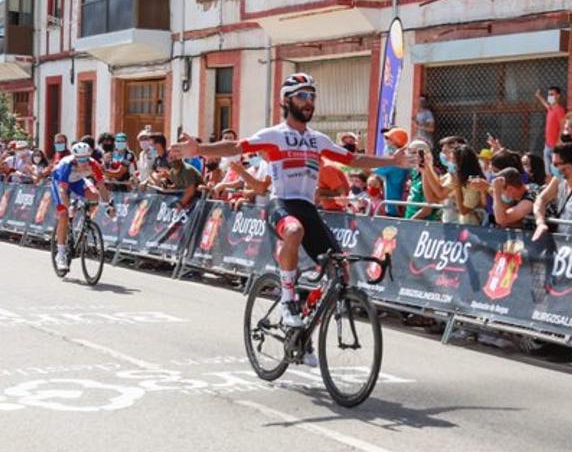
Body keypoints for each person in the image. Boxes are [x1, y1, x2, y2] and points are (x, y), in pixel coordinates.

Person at [171, 72, 410, 359]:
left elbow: (353, 159)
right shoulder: (275, 135)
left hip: (308, 207)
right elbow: (236, 147)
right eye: (302, 96)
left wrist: (392, 160)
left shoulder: (318, 140)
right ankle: (287, 299)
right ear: (286, 100)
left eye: (312, 97)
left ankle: (303, 333)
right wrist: (200, 149)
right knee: (294, 231)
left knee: (340, 272)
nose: (309, 102)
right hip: (281, 203)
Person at [51, 142, 115, 271]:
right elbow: (63, 191)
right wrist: (66, 206)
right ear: (74, 157)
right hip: (60, 182)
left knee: (95, 196)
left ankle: (83, 222)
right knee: (63, 214)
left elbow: (102, 186)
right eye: (80, 159)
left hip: (77, 181)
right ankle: (61, 254)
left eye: (86, 158)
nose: (83, 161)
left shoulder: (93, 164)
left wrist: (108, 206)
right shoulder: (66, 164)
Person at [374, 127, 411, 216]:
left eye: (388, 138)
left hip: (393, 209)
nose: (386, 140)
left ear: (395, 141)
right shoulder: (404, 157)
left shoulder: (394, 162)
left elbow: (374, 171)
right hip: (401, 206)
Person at [404, 140, 439, 221]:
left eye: (413, 153)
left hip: (422, 224)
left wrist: (409, 221)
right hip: (410, 218)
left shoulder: (431, 174)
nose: (410, 156)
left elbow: (427, 209)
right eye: (409, 152)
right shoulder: (414, 172)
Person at [535, 86, 566, 175]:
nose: (550, 97)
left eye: (552, 94)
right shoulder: (551, 109)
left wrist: (558, 141)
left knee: (555, 171)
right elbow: (546, 105)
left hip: (555, 146)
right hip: (548, 144)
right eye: (549, 95)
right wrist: (539, 96)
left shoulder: (560, 110)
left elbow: (562, 126)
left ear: (558, 96)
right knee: (548, 172)